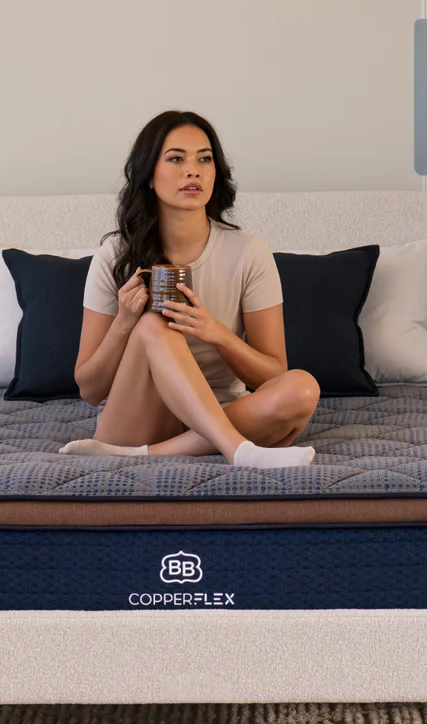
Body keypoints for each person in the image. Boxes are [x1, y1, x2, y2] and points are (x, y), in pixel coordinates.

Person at [59, 110, 319, 468]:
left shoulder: (247, 251)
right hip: (138, 418)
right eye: (176, 158)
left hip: (223, 412)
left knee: (302, 387)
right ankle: (238, 450)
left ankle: (152, 455)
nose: (193, 170)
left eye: (204, 159)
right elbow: (89, 391)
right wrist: (124, 322)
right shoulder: (115, 256)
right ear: (150, 174)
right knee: (154, 324)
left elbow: (273, 375)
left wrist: (216, 334)